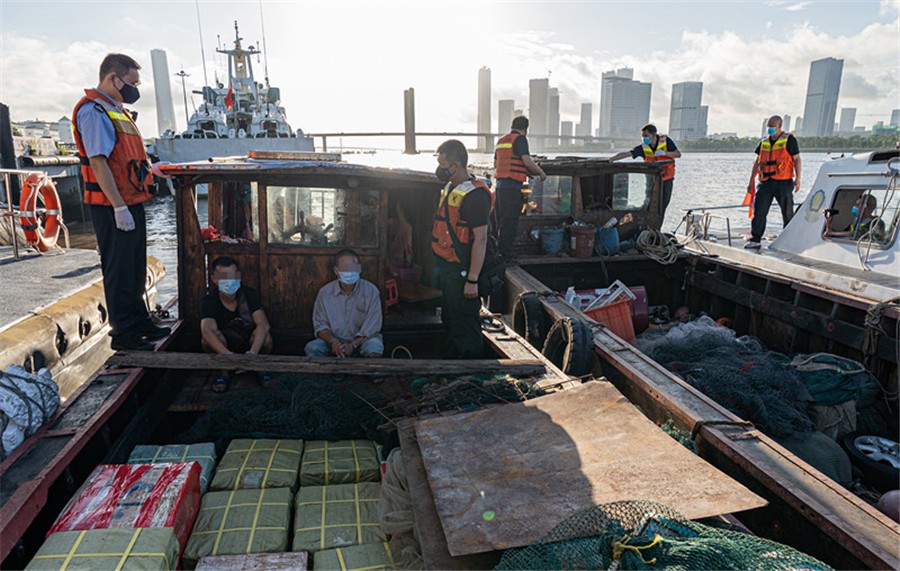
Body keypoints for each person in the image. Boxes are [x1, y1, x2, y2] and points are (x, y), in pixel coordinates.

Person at [72, 53, 170, 350]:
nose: (135, 90)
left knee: (135, 266)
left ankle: (140, 320)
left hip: (130, 200)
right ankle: (123, 334)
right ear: (112, 78)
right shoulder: (94, 111)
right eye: (132, 83)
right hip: (112, 206)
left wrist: (150, 171)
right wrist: (118, 207)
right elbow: (99, 162)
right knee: (118, 268)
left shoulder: (116, 110)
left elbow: (123, 159)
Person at [432, 139, 492, 359]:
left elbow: (481, 239)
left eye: (442, 164)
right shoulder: (450, 188)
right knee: (450, 319)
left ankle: (471, 370)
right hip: (449, 269)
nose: (438, 169)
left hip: (464, 272)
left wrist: (473, 279)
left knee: (465, 325)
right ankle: (454, 365)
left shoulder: (475, 196)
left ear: (456, 166)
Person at [201, 256, 273, 391]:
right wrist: (230, 358)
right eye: (224, 277)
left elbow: (263, 325)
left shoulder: (249, 294)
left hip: (249, 344)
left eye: (233, 276)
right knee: (207, 340)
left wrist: (251, 356)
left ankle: (260, 369)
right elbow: (207, 331)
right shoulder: (209, 301)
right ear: (214, 278)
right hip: (225, 346)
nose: (229, 281)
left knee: (266, 337)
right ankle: (224, 372)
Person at [305, 250, 384, 358]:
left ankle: (371, 374)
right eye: (345, 268)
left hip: (362, 342)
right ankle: (326, 373)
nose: (349, 272)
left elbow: (372, 328)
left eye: (353, 268)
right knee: (312, 348)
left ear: (359, 269)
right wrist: (334, 342)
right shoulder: (325, 293)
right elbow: (320, 325)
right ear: (336, 270)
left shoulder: (371, 291)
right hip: (333, 342)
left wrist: (352, 345)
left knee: (374, 346)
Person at [745, 115, 801, 249]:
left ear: (779, 126)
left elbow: (797, 160)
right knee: (759, 211)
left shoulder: (789, 140)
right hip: (765, 182)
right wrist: (751, 181)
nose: (770, 128)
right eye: (768, 126)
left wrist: (798, 179)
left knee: (787, 212)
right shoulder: (763, 142)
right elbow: (757, 162)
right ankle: (755, 239)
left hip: (783, 181)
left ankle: (789, 240)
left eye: (772, 126)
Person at [494, 116, 546, 259]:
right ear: (526, 129)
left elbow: (496, 164)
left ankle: (499, 249)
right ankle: (506, 253)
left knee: (501, 220)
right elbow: (527, 161)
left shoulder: (501, 141)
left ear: (511, 126)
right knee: (510, 221)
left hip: (499, 186)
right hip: (511, 187)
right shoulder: (520, 139)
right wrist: (541, 172)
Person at [608, 123, 681, 210]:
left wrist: (665, 153)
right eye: (642, 136)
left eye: (646, 135)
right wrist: (610, 159)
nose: (644, 138)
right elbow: (627, 154)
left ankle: (658, 221)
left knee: (663, 205)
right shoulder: (643, 147)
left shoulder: (665, 141)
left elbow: (678, 154)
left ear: (653, 135)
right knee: (649, 203)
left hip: (666, 179)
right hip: (651, 181)